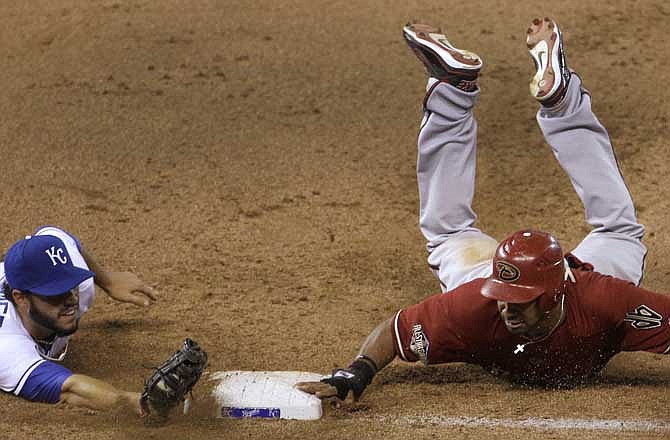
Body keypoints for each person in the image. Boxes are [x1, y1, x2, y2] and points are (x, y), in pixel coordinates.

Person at [296, 17, 669, 401]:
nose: (507, 308)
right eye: (504, 292)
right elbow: (394, 331)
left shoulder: (606, 301)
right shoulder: (479, 303)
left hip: (592, 285)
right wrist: (356, 373)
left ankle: (461, 95)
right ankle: (539, 100)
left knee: (613, 232)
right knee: (453, 234)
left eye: (521, 300)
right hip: (490, 277)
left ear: (553, 296)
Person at [0, 225, 158, 414]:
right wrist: (138, 403)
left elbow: (56, 233)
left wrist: (107, 281)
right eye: (55, 292)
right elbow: (70, 388)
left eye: (70, 285)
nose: (71, 300)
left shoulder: (82, 287)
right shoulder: (7, 348)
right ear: (21, 298)